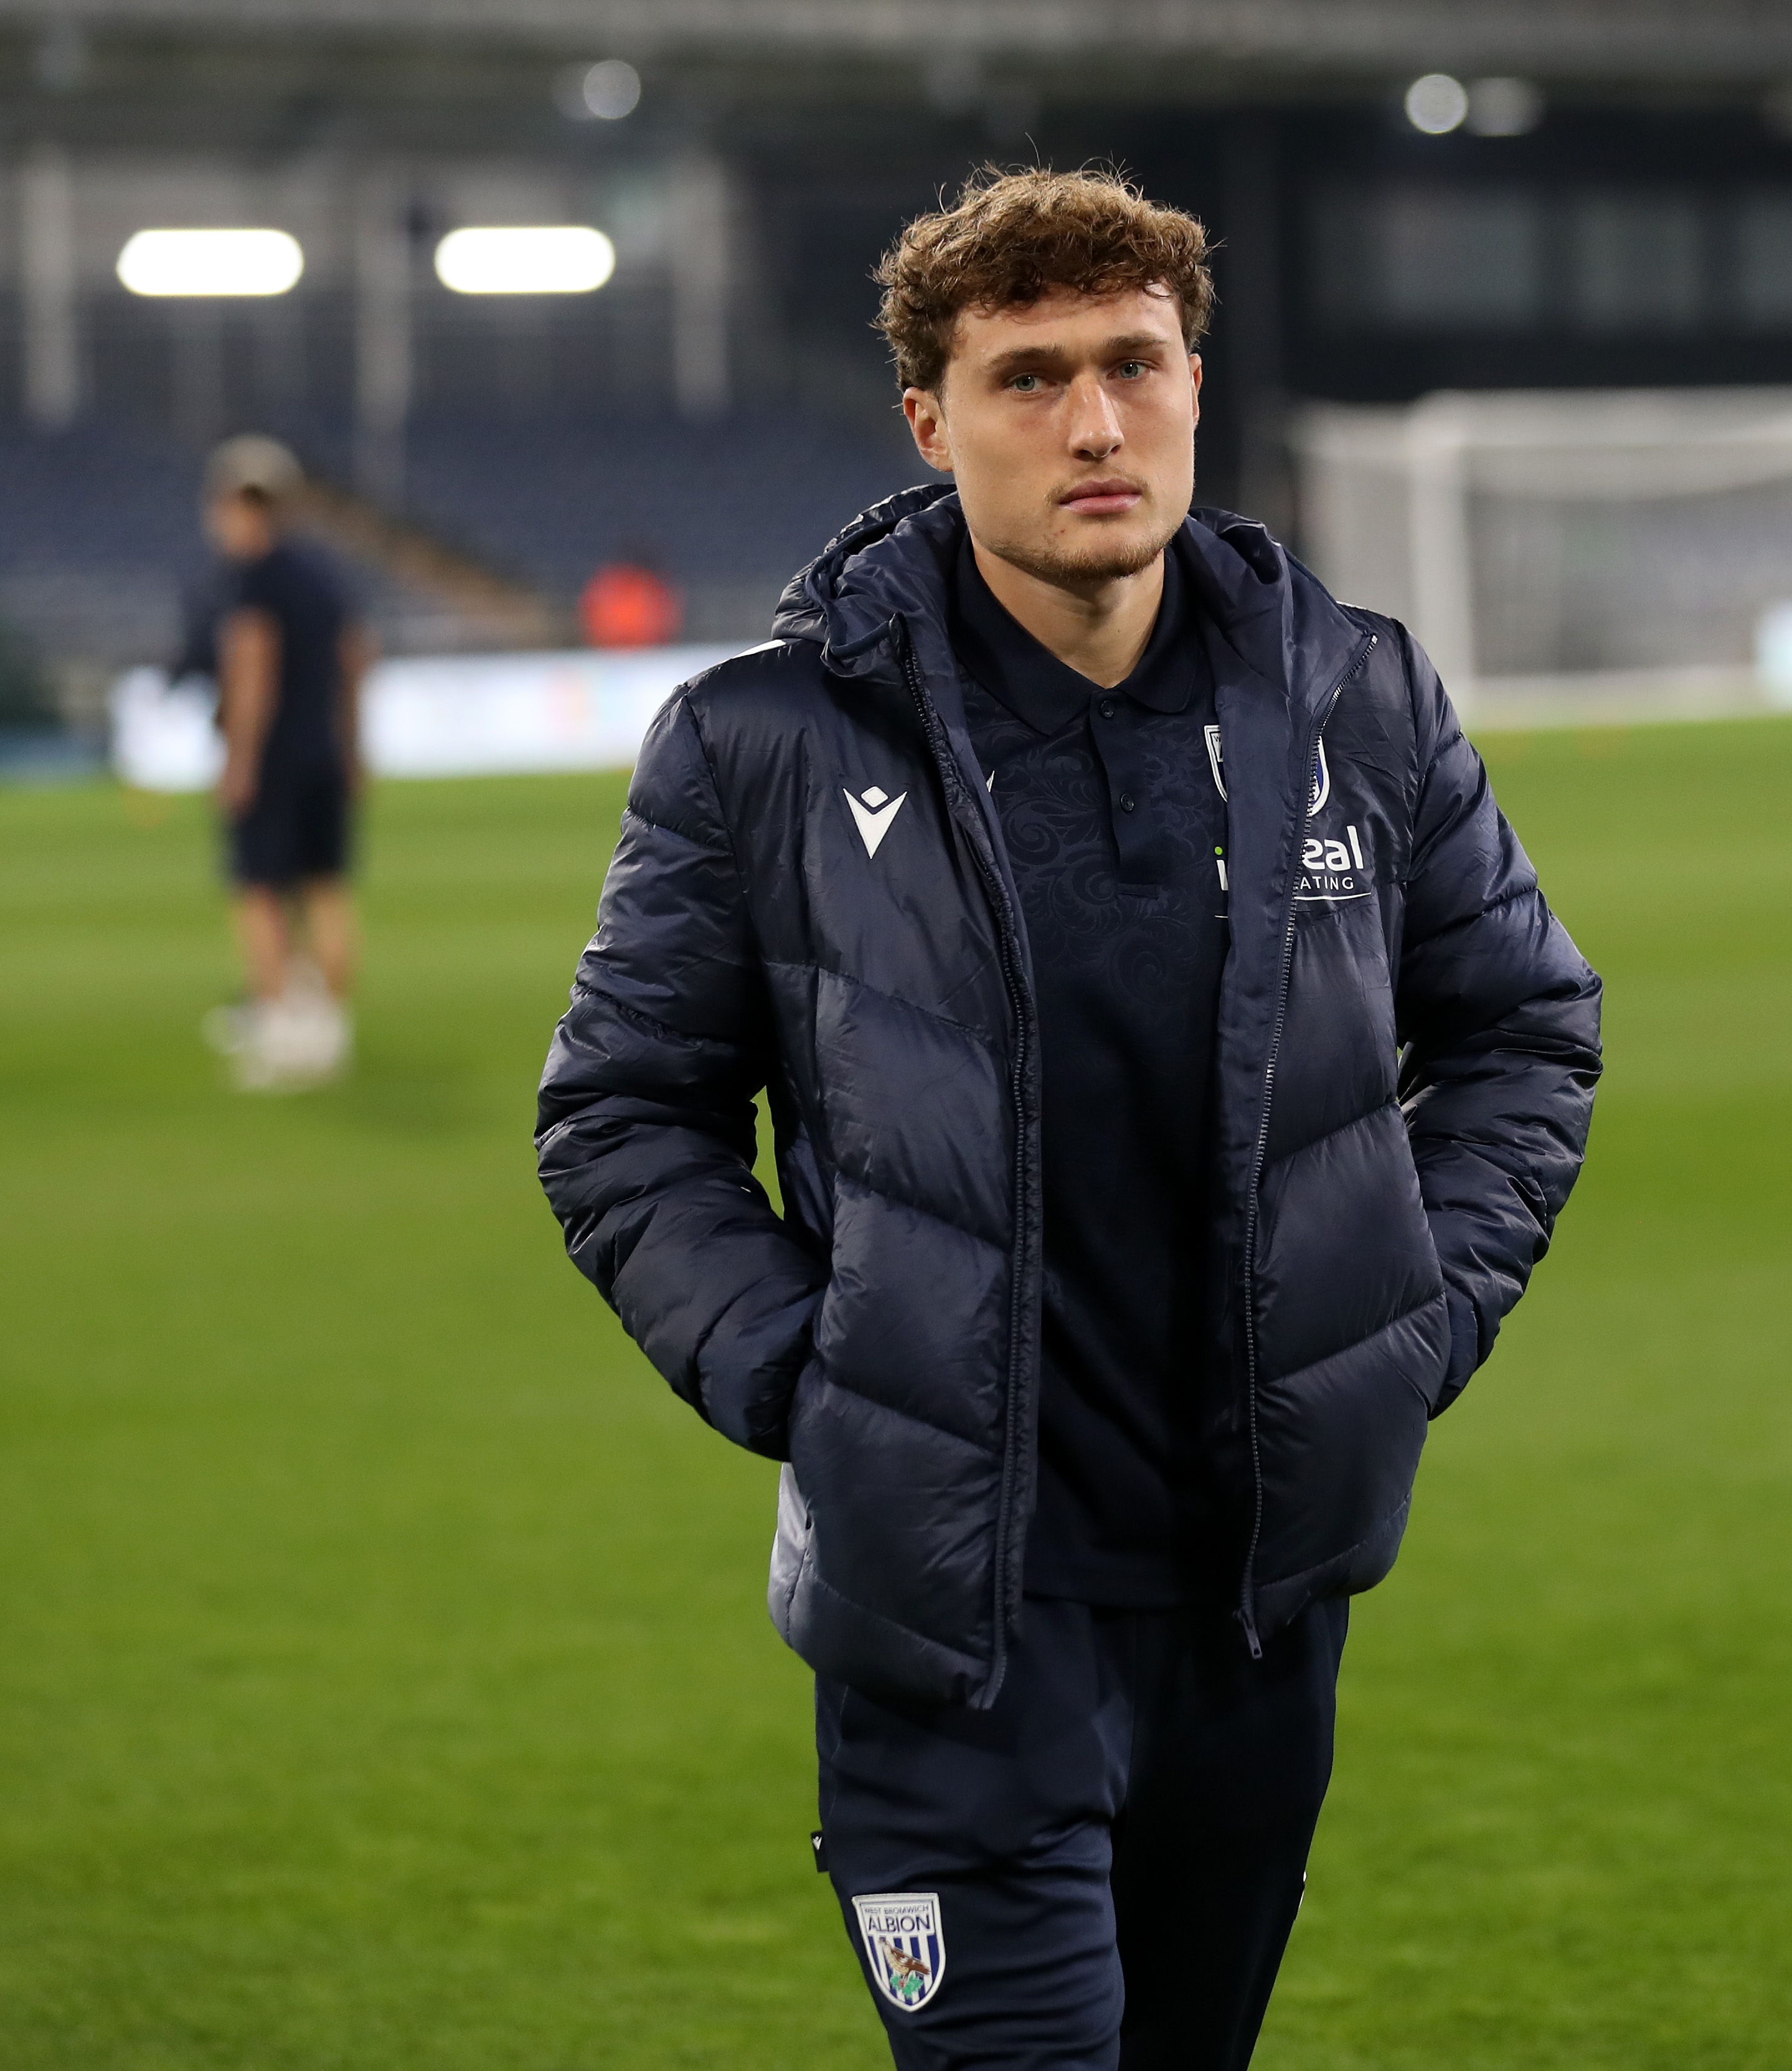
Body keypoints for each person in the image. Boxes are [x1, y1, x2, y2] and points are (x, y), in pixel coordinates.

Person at [534, 168, 1600, 2070]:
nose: (1094, 422)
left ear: (1198, 376)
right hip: (953, 1628)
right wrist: (809, 1369)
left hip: (1253, 1621)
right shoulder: (762, 742)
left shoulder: (1354, 694)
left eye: (1133, 362)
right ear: (932, 426)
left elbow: (1523, 1023)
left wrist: (1415, 1319)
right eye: (1029, 378)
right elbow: (623, 1112)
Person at [197, 439, 373, 1090]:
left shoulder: (254, 577)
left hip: (274, 759)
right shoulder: (324, 575)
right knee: (327, 890)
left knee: (260, 894)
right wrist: (354, 747)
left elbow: (252, 668)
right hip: (323, 753)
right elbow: (358, 660)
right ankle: (328, 1030)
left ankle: (279, 1036)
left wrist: (239, 760)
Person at [578, 550, 682, 648]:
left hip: (647, 652)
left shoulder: (652, 587)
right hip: (610, 652)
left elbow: (664, 621)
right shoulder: (608, 585)